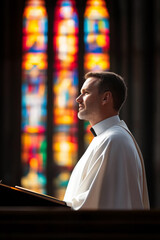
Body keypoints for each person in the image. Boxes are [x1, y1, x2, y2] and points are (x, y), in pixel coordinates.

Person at [63, 71, 150, 210]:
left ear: (105, 98)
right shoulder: (105, 138)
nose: (78, 99)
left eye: (85, 93)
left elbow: (103, 205)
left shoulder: (115, 140)